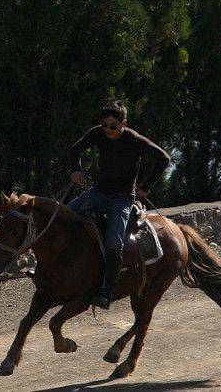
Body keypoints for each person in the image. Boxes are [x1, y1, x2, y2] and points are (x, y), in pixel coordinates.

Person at [68, 100, 170, 309]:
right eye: (104, 125)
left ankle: (107, 290)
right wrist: (75, 170)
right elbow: (74, 150)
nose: (107, 130)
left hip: (121, 199)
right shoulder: (97, 133)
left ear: (124, 123)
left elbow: (163, 159)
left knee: (114, 242)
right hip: (97, 193)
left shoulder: (135, 140)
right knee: (65, 216)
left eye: (113, 126)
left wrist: (145, 187)